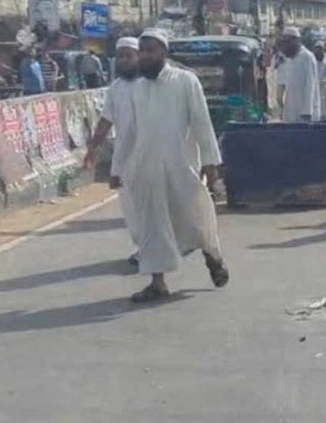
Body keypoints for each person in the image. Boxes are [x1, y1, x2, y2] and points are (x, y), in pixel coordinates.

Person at [122, 28, 229, 303]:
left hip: (182, 166)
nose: (144, 56)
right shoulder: (138, 89)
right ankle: (158, 282)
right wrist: (118, 168)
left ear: (164, 52)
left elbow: (202, 122)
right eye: (141, 51)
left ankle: (212, 255)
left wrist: (210, 162)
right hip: (147, 169)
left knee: (196, 217)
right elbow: (130, 132)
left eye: (150, 50)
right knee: (152, 225)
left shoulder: (186, 81)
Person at [83, 37, 142, 265]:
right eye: (121, 56)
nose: (124, 60)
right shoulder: (116, 88)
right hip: (126, 158)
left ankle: (157, 250)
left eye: (129, 55)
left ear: (138, 56)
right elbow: (105, 122)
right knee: (131, 209)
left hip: (153, 153)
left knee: (153, 206)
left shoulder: (151, 83)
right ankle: (142, 248)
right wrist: (92, 150)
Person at [278, 27, 318, 122]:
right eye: (283, 42)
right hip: (290, 111)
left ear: (296, 41)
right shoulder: (288, 59)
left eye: (287, 42)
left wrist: (307, 112)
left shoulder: (307, 57)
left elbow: (310, 85)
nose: (285, 46)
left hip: (305, 115)